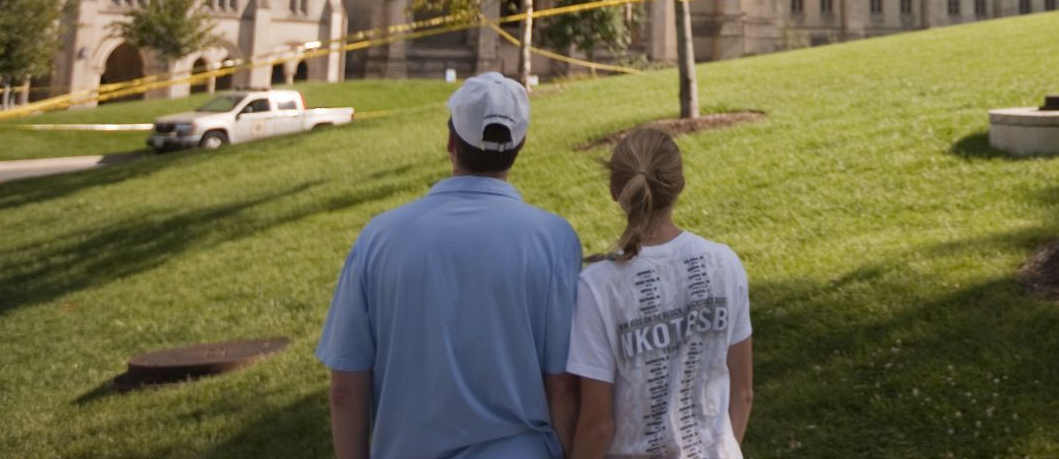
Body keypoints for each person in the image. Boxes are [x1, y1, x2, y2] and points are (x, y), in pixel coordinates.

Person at [317, 72, 582, 459]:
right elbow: (562, 386)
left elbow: (346, 385)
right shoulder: (554, 240)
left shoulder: (380, 237)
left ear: (451, 141)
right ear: (520, 145)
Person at [566, 127, 753, 459]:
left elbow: (598, 424)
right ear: (680, 185)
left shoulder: (597, 286)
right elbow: (743, 393)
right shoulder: (725, 263)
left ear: (614, 191)